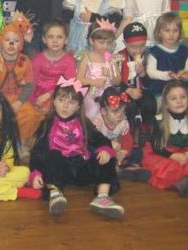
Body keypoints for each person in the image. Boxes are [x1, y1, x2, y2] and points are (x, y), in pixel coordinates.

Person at [29, 77, 124, 219]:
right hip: (59, 171)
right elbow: (37, 152)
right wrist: (36, 174)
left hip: (81, 168)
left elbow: (100, 139)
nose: (65, 106)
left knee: (107, 155)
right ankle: (54, 193)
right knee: (53, 155)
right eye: (61, 100)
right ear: (54, 101)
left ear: (79, 106)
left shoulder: (83, 123)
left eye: (71, 102)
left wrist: (104, 150)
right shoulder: (47, 124)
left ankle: (102, 196)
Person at [0, 17, 43, 147]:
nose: (11, 44)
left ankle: (20, 142)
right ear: (1, 42)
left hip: (19, 99)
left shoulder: (25, 61)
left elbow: (30, 86)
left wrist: (19, 102)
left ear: (21, 44)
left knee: (30, 114)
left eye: (16, 41)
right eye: (7, 40)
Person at [91, 86, 150, 183]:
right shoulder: (98, 122)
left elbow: (128, 139)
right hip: (102, 148)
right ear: (103, 111)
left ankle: (129, 166)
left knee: (137, 151)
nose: (120, 116)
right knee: (97, 156)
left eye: (123, 112)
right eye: (115, 112)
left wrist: (124, 152)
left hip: (116, 149)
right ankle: (118, 169)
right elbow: (93, 141)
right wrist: (110, 145)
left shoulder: (123, 122)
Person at [118, 22, 157, 144]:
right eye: (133, 47)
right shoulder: (119, 57)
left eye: (142, 46)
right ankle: (129, 134)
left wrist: (143, 74)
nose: (138, 50)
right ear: (125, 43)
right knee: (129, 107)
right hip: (125, 91)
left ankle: (146, 131)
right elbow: (115, 82)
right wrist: (128, 90)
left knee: (149, 103)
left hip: (143, 90)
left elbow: (152, 84)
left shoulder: (149, 57)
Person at [29, 19, 77, 115]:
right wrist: (35, 99)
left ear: (66, 40)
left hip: (60, 94)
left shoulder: (69, 61)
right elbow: (32, 81)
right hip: (37, 93)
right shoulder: (38, 59)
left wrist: (48, 95)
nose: (55, 41)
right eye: (51, 37)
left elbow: (68, 85)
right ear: (44, 39)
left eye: (59, 37)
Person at [78, 19, 121, 118]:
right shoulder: (87, 58)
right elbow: (79, 79)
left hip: (109, 95)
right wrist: (93, 82)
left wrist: (111, 74)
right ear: (91, 41)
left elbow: (118, 81)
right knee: (92, 111)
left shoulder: (111, 59)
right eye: (101, 42)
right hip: (93, 95)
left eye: (109, 43)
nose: (105, 46)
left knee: (110, 115)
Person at [146, 12, 188, 101]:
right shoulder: (154, 51)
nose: (171, 34)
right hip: (161, 90)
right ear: (159, 32)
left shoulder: (184, 50)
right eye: (167, 30)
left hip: (179, 88)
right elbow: (151, 72)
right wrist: (168, 74)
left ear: (180, 32)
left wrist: (186, 73)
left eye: (175, 31)